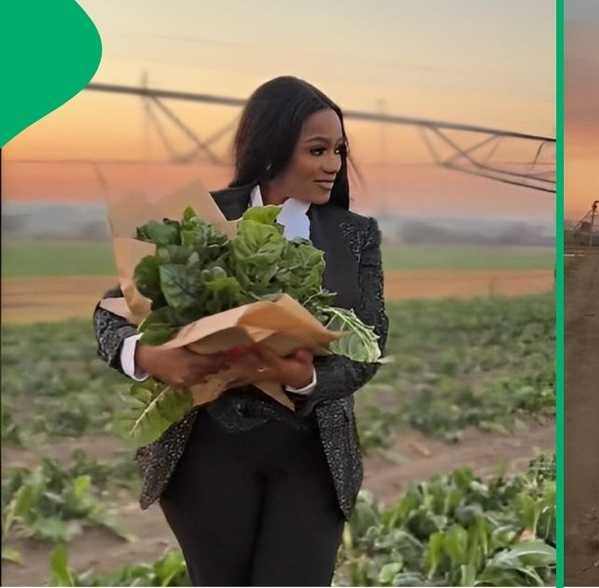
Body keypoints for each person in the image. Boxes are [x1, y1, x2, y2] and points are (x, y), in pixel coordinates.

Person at [92, 76, 390, 586]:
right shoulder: (201, 215)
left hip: (311, 450)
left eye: (339, 150)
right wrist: (148, 357)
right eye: (318, 150)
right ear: (273, 148)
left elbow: (372, 339)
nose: (334, 165)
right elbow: (109, 312)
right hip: (208, 446)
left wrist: (305, 379)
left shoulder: (354, 234)